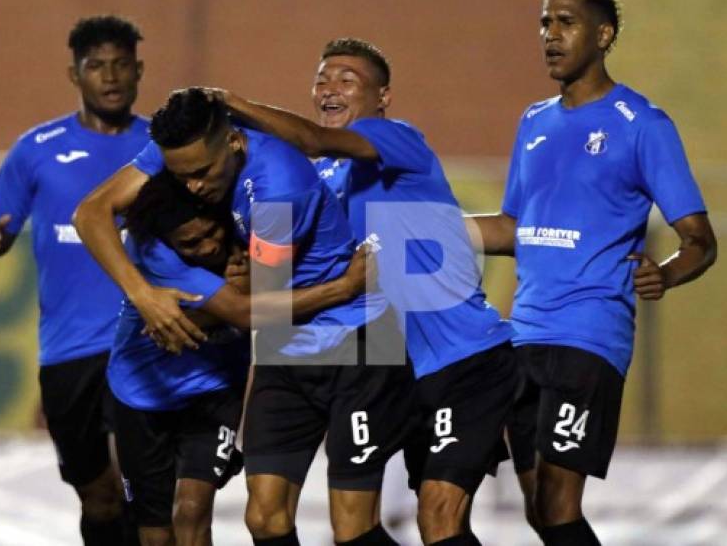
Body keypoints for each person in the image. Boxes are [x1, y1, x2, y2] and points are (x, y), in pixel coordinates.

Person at [74, 88, 418, 546]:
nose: (192, 187)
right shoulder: (182, 151)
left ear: (234, 143)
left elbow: (255, 307)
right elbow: (91, 211)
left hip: (354, 338)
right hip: (287, 347)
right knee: (264, 519)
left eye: (201, 174)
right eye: (181, 176)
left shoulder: (279, 189)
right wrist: (145, 297)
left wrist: (342, 287)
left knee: (353, 528)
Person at [211, 37, 517, 546]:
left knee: (439, 520)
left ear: (383, 96)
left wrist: (231, 104)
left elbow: (311, 139)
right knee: (347, 527)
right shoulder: (310, 180)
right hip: (388, 365)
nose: (330, 88)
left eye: (347, 79)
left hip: (461, 359)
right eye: (322, 79)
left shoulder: (395, 138)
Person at [467, 0, 718, 545]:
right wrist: (429, 231)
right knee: (537, 508)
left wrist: (669, 271)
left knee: (558, 503)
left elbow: (701, 237)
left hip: (589, 336)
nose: (550, 35)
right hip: (524, 335)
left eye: (566, 22)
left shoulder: (643, 124)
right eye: (544, 23)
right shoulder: (534, 121)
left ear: (603, 35)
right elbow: (514, 228)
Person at [111, 170, 372, 546]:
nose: (207, 248)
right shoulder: (152, 253)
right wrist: (344, 288)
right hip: (142, 394)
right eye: (191, 243)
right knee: (154, 534)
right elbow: (244, 313)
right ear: (168, 243)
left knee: (190, 510)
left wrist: (252, 281)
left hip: (214, 391)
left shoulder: (243, 235)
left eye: (211, 233)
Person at [0, 15, 149, 545]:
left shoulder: (163, 145)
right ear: (75, 75)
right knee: (100, 498)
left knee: (141, 485)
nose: (110, 77)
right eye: (97, 66)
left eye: (121, 65)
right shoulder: (35, 148)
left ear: (139, 71)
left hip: (141, 341)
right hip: (67, 354)